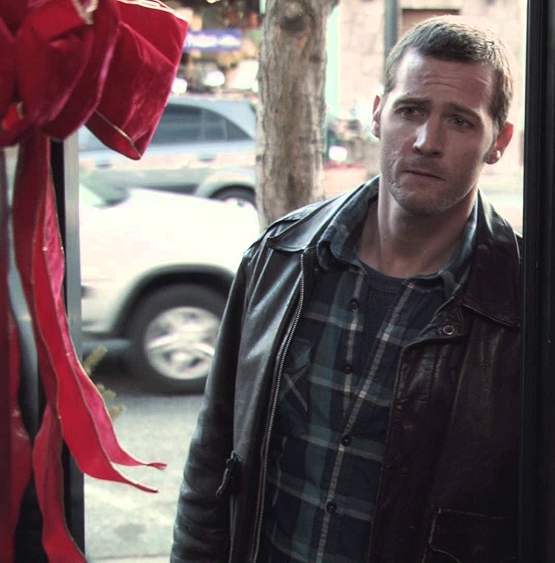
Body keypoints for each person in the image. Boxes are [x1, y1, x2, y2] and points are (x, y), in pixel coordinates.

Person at [171, 15, 521, 562]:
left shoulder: (519, 302)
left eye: (459, 121)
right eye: (411, 110)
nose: (427, 141)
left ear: (498, 143)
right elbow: (214, 458)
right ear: (378, 114)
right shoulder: (281, 258)